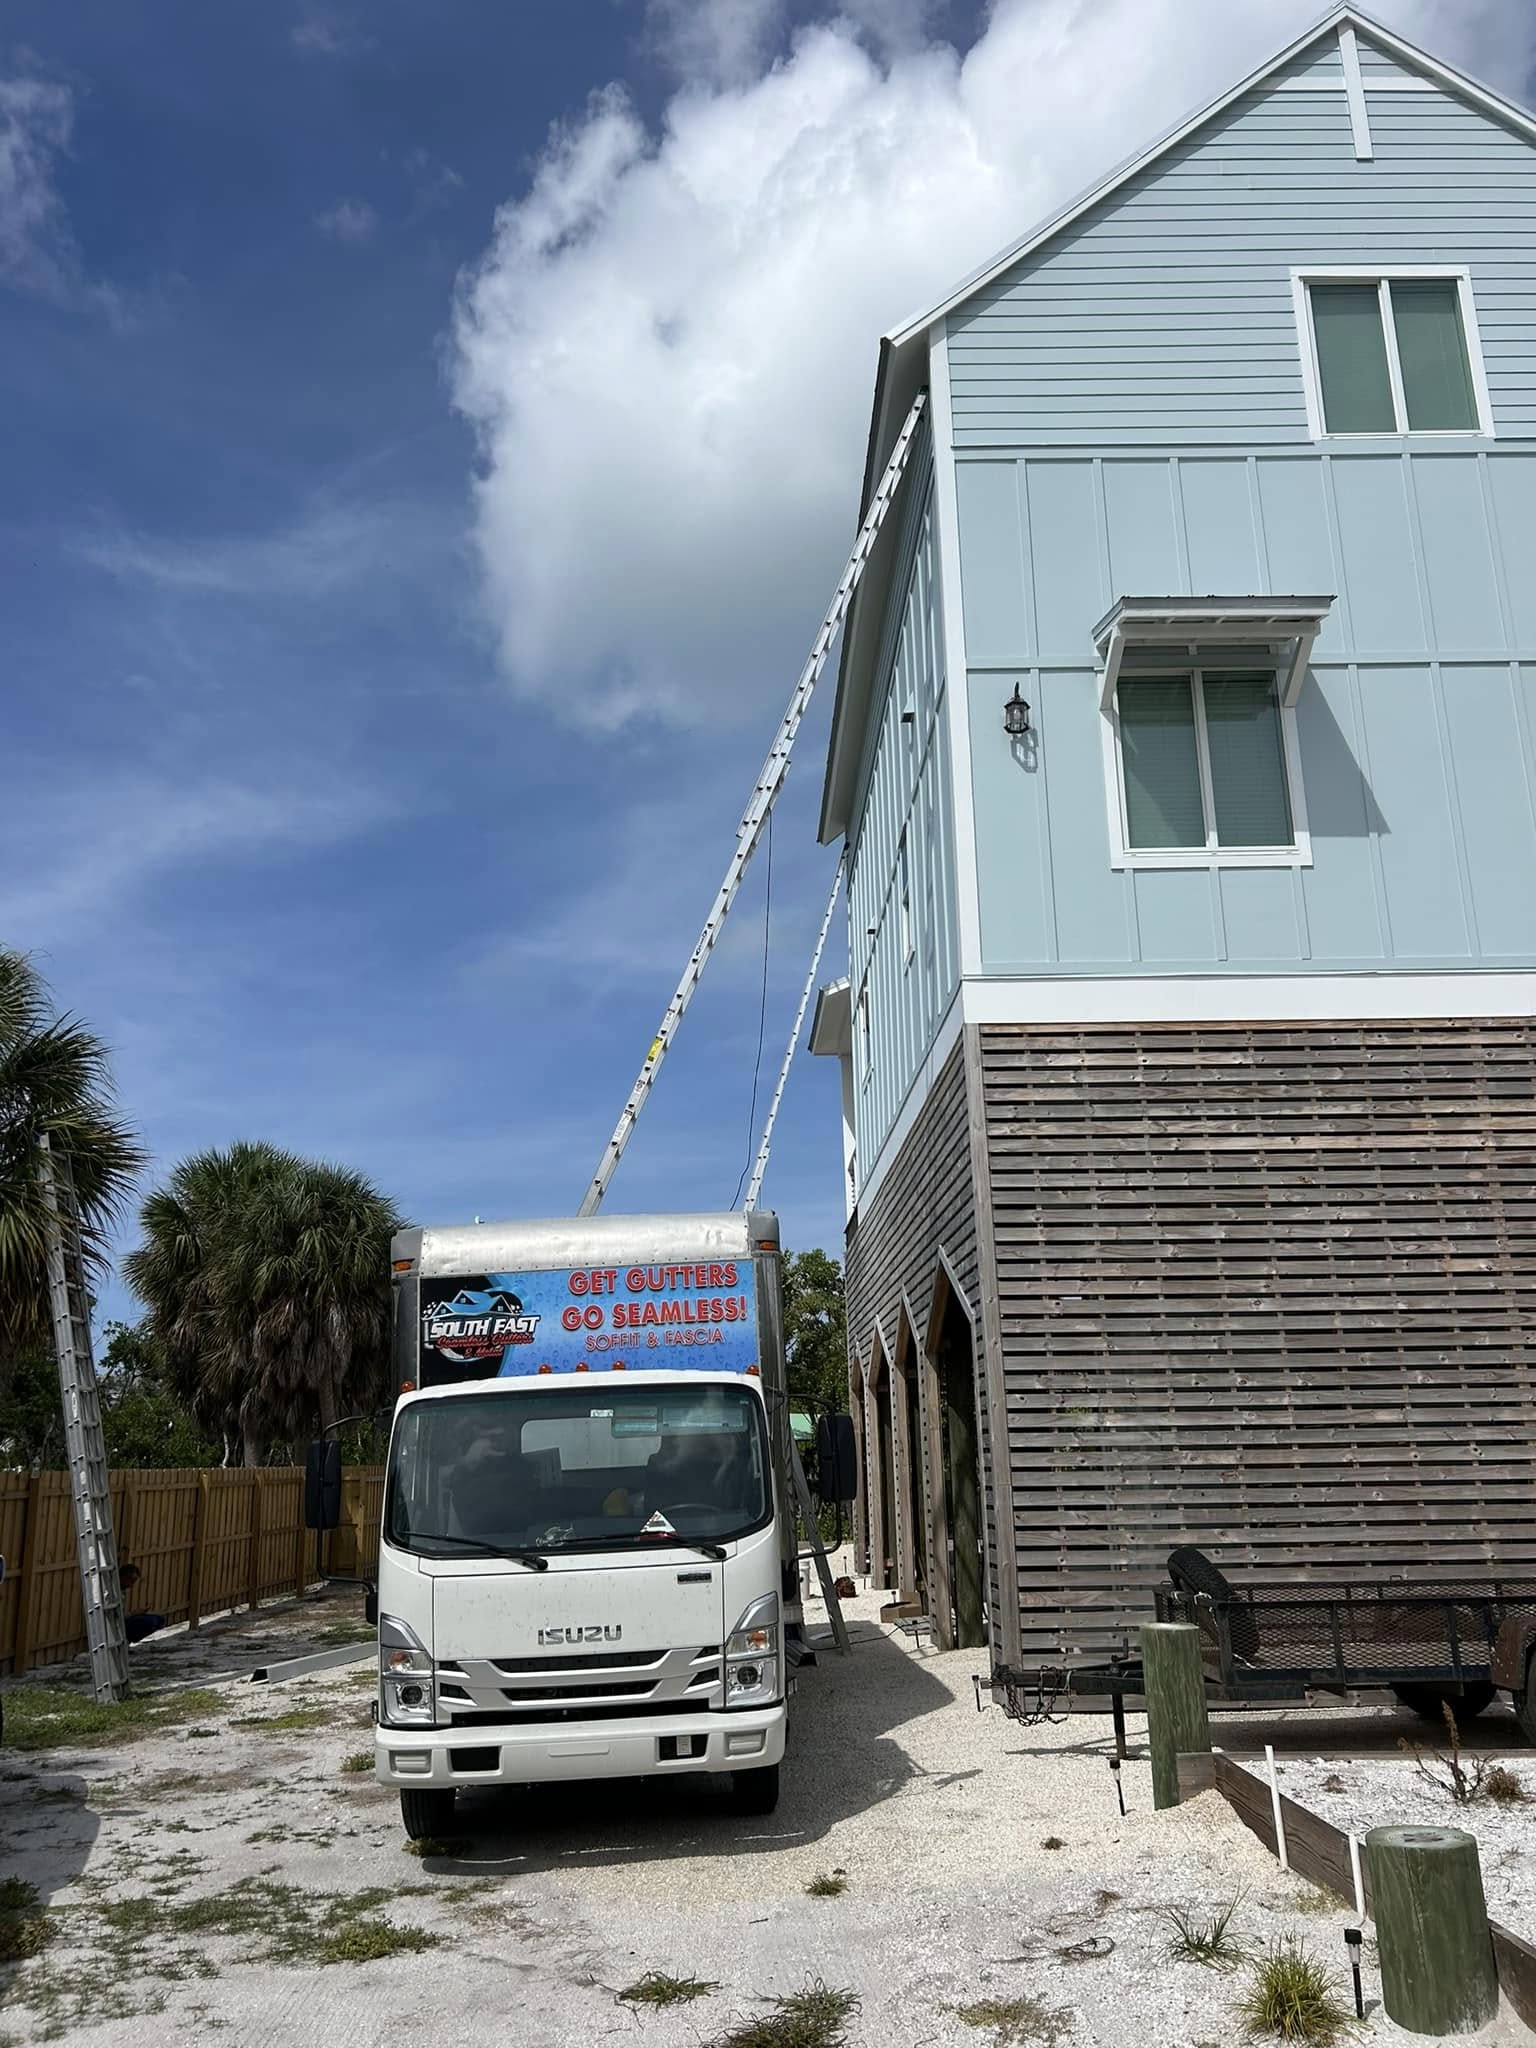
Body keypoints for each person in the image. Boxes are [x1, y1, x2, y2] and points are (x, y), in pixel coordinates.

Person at [118, 1563, 165, 1643]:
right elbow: (116, 1617)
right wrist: (133, 1613)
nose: (131, 1585)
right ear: (123, 1577)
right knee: (150, 1622)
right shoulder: (115, 1592)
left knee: (160, 1619)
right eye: (131, 1581)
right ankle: (127, 1639)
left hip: (126, 1619)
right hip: (119, 1624)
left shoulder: (123, 1591)